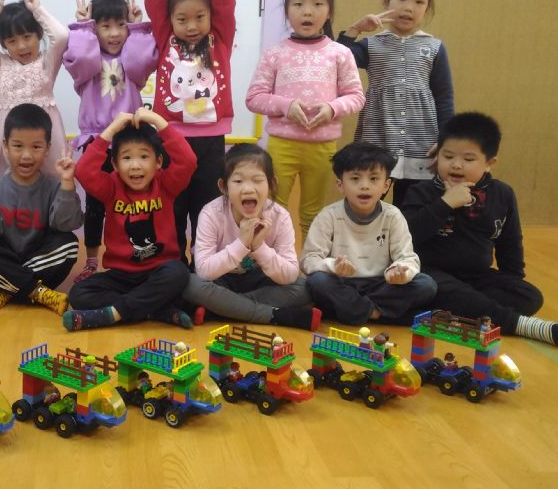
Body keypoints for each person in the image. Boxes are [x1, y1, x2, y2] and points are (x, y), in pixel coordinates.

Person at [401, 112, 555, 345]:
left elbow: (510, 244)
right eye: (447, 156)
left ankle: (450, 314)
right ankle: (523, 325)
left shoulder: (502, 194)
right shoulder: (420, 192)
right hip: (429, 274)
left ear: (490, 162)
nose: (456, 164)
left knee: (529, 296)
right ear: (437, 155)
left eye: (468, 159)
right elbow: (407, 237)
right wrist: (445, 203)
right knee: (441, 289)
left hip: (476, 277)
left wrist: (511, 282)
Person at [144, 0, 237, 260]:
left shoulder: (220, 37)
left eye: (200, 17)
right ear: (170, 20)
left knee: (208, 205)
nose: (192, 25)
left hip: (211, 140)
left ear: (211, 16)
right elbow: (155, 1)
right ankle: (173, 262)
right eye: (182, 19)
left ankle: (204, 260)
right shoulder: (165, 38)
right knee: (172, 203)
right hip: (171, 137)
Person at [245, 0, 365, 238]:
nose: (307, 12)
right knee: (273, 210)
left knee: (313, 213)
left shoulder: (340, 53)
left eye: (317, 4)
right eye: (298, 4)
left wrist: (332, 109)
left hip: (322, 147)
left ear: (329, 10)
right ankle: (272, 260)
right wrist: (285, 106)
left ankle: (310, 261)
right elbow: (253, 98)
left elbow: (356, 96)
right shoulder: (275, 54)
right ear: (287, 10)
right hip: (282, 145)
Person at [64, 108, 196, 330]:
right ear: (115, 165)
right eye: (126, 158)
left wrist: (158, 121)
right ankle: (155, 310)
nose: (135, 165)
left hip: (159, 272)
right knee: (79, 293)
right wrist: (112, 129)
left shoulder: (166, 184)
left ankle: (115, 313)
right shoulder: (110, 187)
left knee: (180, 274)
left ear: (158, 161)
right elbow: (84, 171)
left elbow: (188, 161)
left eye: (144, 157)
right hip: (121, 276)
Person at [338, 0, 454, 206]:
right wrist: (355, 29)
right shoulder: (371, 45)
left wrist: (446, 139)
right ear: (386, 1)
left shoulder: (434, 48)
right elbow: (337, 60)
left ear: (427, 8)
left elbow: (444, 97)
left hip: (421, 144)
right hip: (377, 137)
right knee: (366, 203)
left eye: (419, 2)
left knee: (412, 207)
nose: (408, 7)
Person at [63, 0, 158, 282]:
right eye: (105, 26)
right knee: (95, 206)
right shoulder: (88, 66)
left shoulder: (131, 62)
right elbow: (81, 57)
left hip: (130, 143)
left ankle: (132, 254)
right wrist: (83, 28)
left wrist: (138, 28)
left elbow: (142, 60)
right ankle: (92, 259)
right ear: (95, 29)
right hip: (97, 141)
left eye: (121, 25)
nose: (115, 33)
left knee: (131, 202)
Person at [181, 144, 320, 330]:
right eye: (238, 181)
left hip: (260, 281)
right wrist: (242, 243)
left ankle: (220, 309)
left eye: (257, 180)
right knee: (190, 284)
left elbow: (290, 275)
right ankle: (274, 315)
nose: (248, 189)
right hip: (222, 280)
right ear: (223, 187)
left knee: (304, 287)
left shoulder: (280, 216)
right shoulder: (211, 213)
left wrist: (259, 247)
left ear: (272, 184)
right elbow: (204, 271)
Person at [0, 104, 83, 316]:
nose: (26, 155)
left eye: (36, 147)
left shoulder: (53, 186)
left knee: (69, 244)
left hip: (38, 261)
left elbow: (66, 224)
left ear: (47, 148)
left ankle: (7, 290)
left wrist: (67, 183)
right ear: (5, 146)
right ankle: (37, 292)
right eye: (18, 146)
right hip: (5, 259)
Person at [300, 142, 437, 325]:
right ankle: (379, 314)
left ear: (386, 185)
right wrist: (333, 266)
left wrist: (400, 272)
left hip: (381, 285)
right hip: (342, 283)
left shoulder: (393, 216)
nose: (364, 186)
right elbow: (308, 260)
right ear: (340, 185)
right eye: (355, 179)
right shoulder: (329, 215)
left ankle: (352, 311)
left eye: (373, 179)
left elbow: (407, 257)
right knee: (317, 282)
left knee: (426, 284)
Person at [0, 0, 69, 180]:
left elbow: (61, 36)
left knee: (46, 184)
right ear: (4, 44)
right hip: (5, 140)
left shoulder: (48, 62)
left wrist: (38, 10)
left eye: (27, 37)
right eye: (12, 41)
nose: (21, 46)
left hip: (39, 137)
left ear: (39, 34)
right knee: (0, 186)